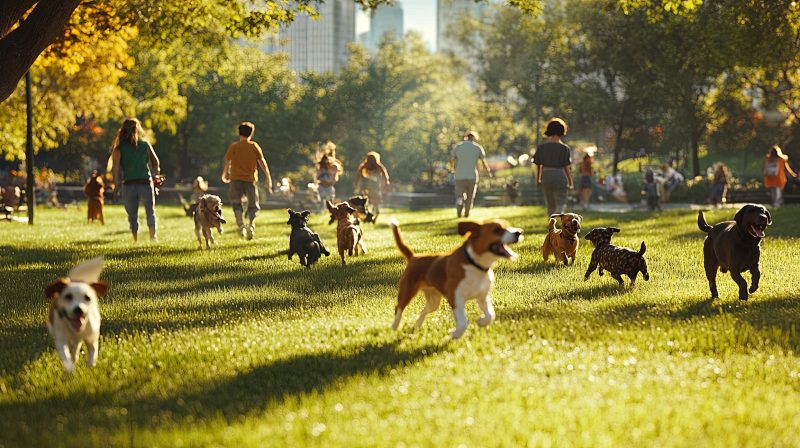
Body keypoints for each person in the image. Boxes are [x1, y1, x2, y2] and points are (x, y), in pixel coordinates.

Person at [110, 118, 161, 242]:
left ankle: (135, 239)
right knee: (150, 211)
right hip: (145, 183)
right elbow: (156, 163)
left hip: (129, 184)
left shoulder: (119, 148)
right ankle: (153, 237)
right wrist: (156, 178)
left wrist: (116, 187)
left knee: (132, 215)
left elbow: (115, 170)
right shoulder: (145, 144)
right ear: (137, 129)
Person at [221, 122, 272, 240]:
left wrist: (224, 175)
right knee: (253, 204)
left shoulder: (234, 146)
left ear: (239, 132)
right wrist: (268, 176)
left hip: (235, 179)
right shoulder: (254, 146)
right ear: (251, 133)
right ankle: (251, 225)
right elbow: (262, 162)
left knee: (236, 202)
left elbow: (228, 162)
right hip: (250, 180)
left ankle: (240, 225)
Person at [533, 118, 573, 216]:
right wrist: (570, 182)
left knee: (550, 205)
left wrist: (538, 179)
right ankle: (558, 216)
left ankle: (551, 227)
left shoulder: (541, 147)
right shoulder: (564, 148)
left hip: (545, 176)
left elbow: (538, 165)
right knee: (561, 203)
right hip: (559, 175)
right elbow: (566, 167)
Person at [451, 130, 492, 218]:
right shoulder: (477, 148)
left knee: (459, 196)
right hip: (472, 176)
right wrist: (488, 172)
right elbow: (484, 162)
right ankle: (466, 213)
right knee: (470, 197)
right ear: (474, 138)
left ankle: (459, 212)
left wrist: (453, 169)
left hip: (459, 176)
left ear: (466, 137)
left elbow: (453, 160)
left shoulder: (458, 146)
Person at [356, 151, 390, 219]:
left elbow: (384, 173)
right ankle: (367, 208)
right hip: (367, 182)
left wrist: (386, 181)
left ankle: (375, 207)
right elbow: (359, 173)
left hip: (374, 183)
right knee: (367, 196)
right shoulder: (365, 165)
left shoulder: (377, 165)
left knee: (374, 196)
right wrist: (358, 183)